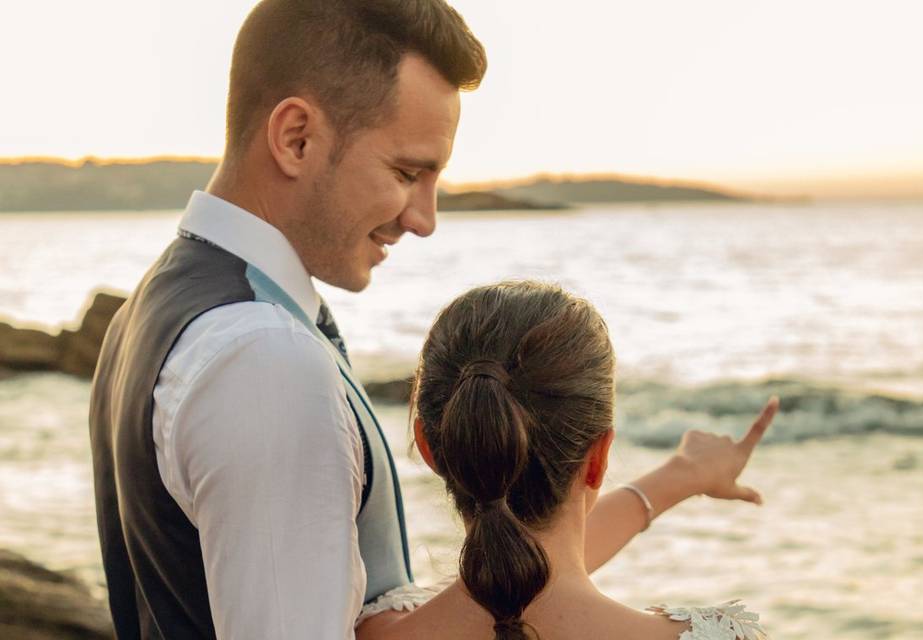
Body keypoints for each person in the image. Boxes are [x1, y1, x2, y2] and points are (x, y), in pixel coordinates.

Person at [88, 1, 773, 639]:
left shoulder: (157, 313)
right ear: (295, 138)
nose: (425, 219)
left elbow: (512, 590)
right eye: (406, 171)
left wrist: (672, 480)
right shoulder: (264, 357)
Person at [355, 281, 777, 640]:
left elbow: (521, 569)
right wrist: (685, 474)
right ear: (599, 457)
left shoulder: (369, 631)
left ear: (428, 448)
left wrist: (679, 477)